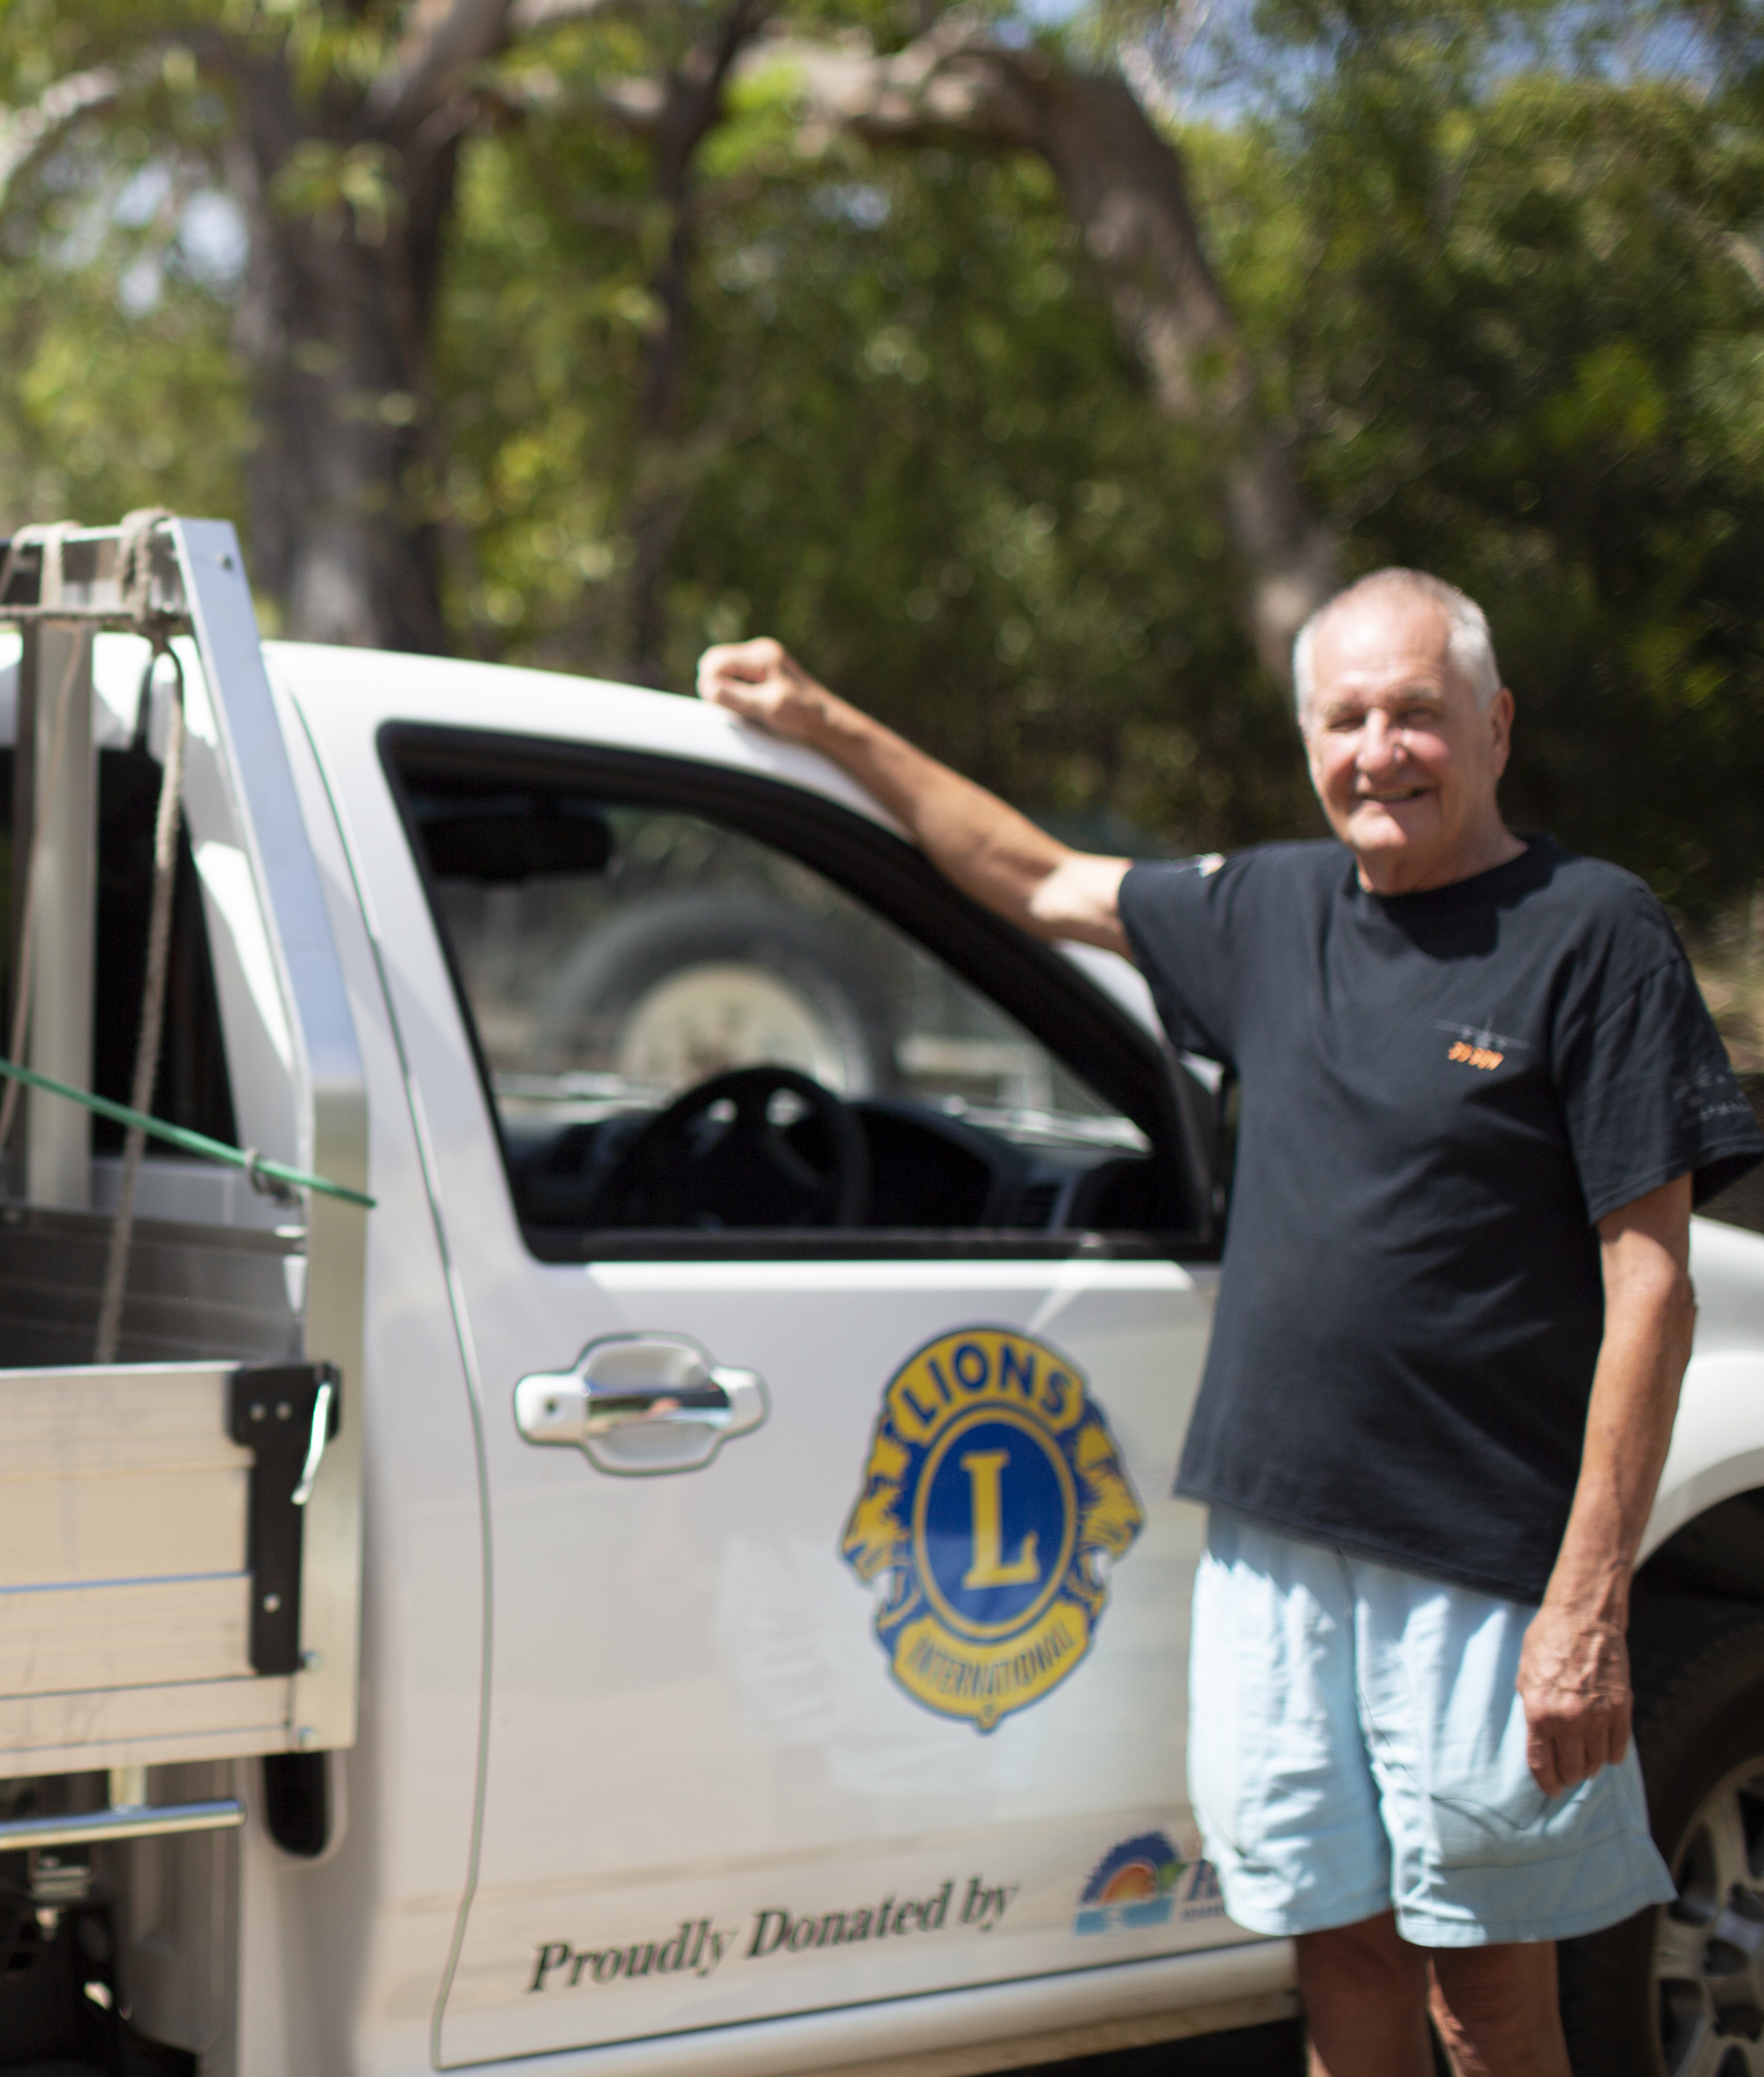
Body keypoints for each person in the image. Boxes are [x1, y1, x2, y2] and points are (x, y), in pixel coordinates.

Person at [698, 568, 1764, 2077]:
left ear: (1496, 723)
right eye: (1347, 719)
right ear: (1310, 738)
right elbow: (1032, 876)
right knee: (1336, 1950)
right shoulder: (1267, 907)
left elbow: (1650, 1280)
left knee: (1486, 1983)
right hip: (1273, 1547)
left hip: (1481, 1566)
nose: (1380, 751)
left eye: (1417, 714)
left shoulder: (1590, 932)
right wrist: (823, 723)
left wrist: (1588, 1608)